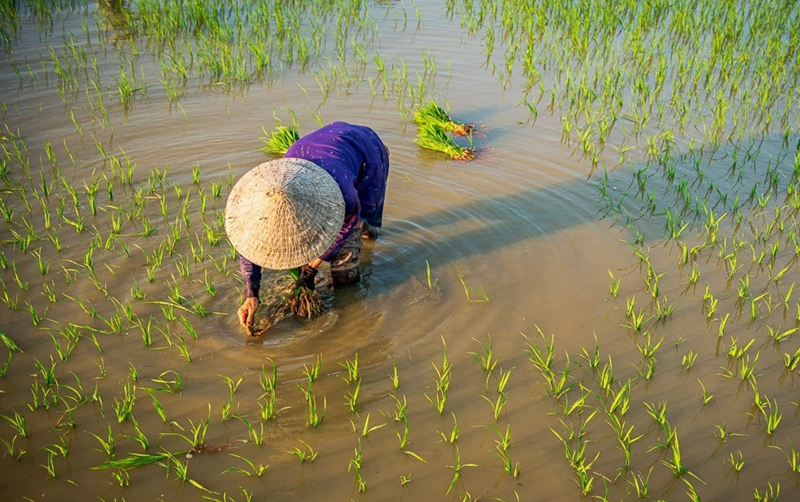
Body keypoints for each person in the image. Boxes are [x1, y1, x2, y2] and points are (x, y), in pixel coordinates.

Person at [225, 122, 390, 328]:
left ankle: (351, 314)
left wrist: (311, 269)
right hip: (312, 152)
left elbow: (346, 226)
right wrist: (251, 294)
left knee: (362, 227)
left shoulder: (344, 195)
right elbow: (250, 249)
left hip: (368, 154)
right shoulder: (258, 200)